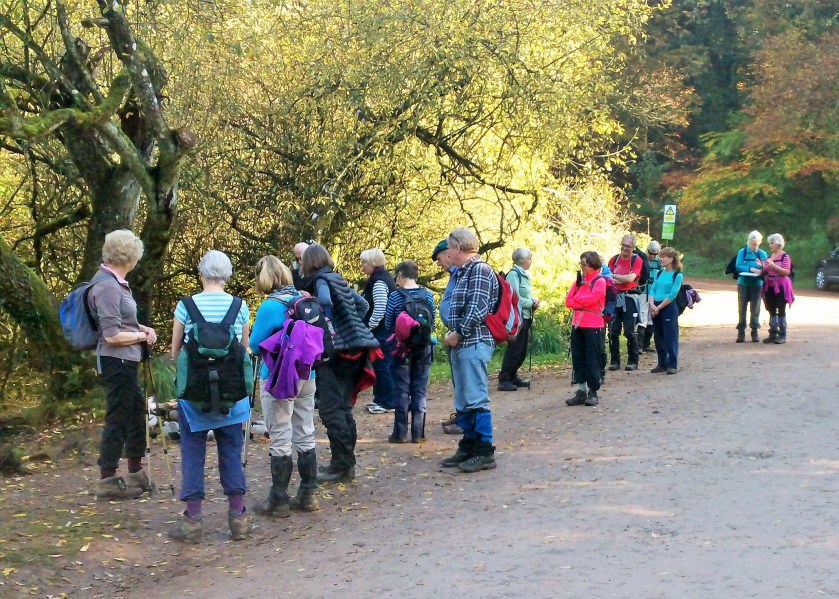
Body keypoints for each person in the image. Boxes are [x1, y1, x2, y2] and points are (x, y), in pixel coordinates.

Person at [169, 250, 252, 543]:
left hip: (194, 394)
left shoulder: (185, 306)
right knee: (231, 449)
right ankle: (239, 519)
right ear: (227, 275)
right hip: (232, 394)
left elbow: (175, 350)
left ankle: (192, 522)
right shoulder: (240, 306)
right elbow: (244, 349)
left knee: (192, 452)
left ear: (201, 273)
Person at [299, 244, 380, 483]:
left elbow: (324, 301)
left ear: (309, 262)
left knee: (330, 409)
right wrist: (352, 325)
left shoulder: (321, 280)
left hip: (336, 352)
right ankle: (345, 463)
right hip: (357, 347)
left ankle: (341, 466)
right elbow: (363, 305)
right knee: (343, 407)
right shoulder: (339, 279)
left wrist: (320, 312)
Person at [88, 230, 158, 500]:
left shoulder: (115, 283)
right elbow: (111, 334)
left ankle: (135, 472)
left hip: (126, 359)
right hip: (116, 360)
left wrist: (142, 329)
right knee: (118, 415)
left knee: (135, 412)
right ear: (130, 256)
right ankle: (107, 478)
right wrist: (141, 336)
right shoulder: (107, 285)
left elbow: (120, 322)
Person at [249, 256, 319, 517]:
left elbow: (255, 344)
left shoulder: (270, 306)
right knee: (305, 429)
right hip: (307, 373)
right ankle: (309, 493)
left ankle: (278, 499)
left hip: (279, 376)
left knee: (280, 434)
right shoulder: (304, 299)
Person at [440, 227, 499, 473]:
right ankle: (469, 445)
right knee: (463, 398)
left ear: (457, 247)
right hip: (462, 342)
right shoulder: (464, 273)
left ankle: (485, 450)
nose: (447, 252)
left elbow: (478, 308)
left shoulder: (480, 270)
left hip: (474, 341)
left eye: (449, 247)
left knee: (476, 397)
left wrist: (458, 332)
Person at [384, 260, 436, 443]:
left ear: (400, 275)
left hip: (401, 350)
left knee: (401, 389)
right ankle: (418, 433)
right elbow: (433, 323)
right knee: (419, 389)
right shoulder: (428, 296)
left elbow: (389, 323)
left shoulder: (395, 297)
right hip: (424, 348)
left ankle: (399, 434)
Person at [565, 252, 607, 407]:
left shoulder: (600, 281)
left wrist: (577, 301)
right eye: (581, 264)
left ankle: (593, 391)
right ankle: (581, 390)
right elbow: (568, 301)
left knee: (592, 358)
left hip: (593, 325)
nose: (582, 267)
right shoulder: (578, 281)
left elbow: (593, 300)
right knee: (578, 357)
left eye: (584, 264)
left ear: (592, 264)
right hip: (578, 324)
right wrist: (579, 302)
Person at [360, 248, 397, 414]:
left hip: (382, 331)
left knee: (383, 366)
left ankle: (388, 401)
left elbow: (380, 307)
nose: (362, 266)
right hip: (383, 331)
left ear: (372, 263)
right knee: (379, 365)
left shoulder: (379, 281)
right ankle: (380, 399)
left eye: (364, 262)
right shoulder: (379, 278)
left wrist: (370, 326)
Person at [497, 248, 539, 392]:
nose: (531, 261)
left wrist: (531, 302)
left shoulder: (523, 275)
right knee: (515, 348)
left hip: (525, 316)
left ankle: (513, 376)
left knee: (521, 349)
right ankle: (504, 378)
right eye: (530, 258)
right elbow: (513, 297)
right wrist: (531, 302)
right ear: (522, 260)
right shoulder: (514, 275)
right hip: (517, 318)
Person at [433, 239, 464, 436]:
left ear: (449, 253)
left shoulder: (462, 273)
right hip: (454, 332)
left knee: (464, 379)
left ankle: (465, 419)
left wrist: (458, 331)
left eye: (439, 258)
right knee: (458, 378)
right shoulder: (454, 275)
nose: (438, 263)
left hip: (461, 334)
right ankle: (461, 414)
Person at [607, 235, 644, 371]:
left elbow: (630, 278)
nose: (624, 248)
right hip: (614, 297)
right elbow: (606, 278)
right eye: (623, 245)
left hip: (630, 298)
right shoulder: (614, 259)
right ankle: (615, 361)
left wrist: (615, 277)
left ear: (633, 247)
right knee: (613, 331)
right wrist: (620, 280)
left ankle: (633, 361)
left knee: (630, 331)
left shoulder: (637, 260)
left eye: (628, 246)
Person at [649, 247, 684, 375]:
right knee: (658, 336)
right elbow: (653, 289)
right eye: (660, 256)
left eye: (663, 256)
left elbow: (673, 293)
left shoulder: (677, 275)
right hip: (656, 306)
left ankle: (672, 364)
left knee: (670, 336)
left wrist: (659, 307)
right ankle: (662, 363)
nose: (661, 259)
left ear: (671, 259)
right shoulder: (659, 273)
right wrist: (652, 304)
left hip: (668, 307)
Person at [761, 233, 794, 344]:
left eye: (772, 243)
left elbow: (786, 271)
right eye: (769, 243)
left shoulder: (785, 256)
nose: (770, 245)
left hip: (781, 286)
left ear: (779, 244)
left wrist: (774, 266)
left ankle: (782, 334)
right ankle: (773, 333)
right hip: (770, 285)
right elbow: (766, 270)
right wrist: (761, 268)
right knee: (771, 309)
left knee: (781, 309)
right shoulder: (769, 257)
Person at [735, 230, 768, 343]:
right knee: (742, 307)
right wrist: (751, 269)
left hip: (757, 284)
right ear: (749, 241)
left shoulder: (762, 254)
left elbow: (766, 268)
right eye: (753, 243)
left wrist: (761, 269)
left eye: (757, 243)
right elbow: (738, 266)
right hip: (743, 283)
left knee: (755, 308)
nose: (755, 245)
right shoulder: (742, 252)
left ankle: (755, 331)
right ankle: (741, 332)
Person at [640, 241, 662, 353]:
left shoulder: (659, 263)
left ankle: (646, 344)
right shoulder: (641, 260)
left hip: (654, 293)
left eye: (655, 254)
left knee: (651, 318)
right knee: (642, 317)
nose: (653, 256)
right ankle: (639, 344)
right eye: (651, 253)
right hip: (643, 291)